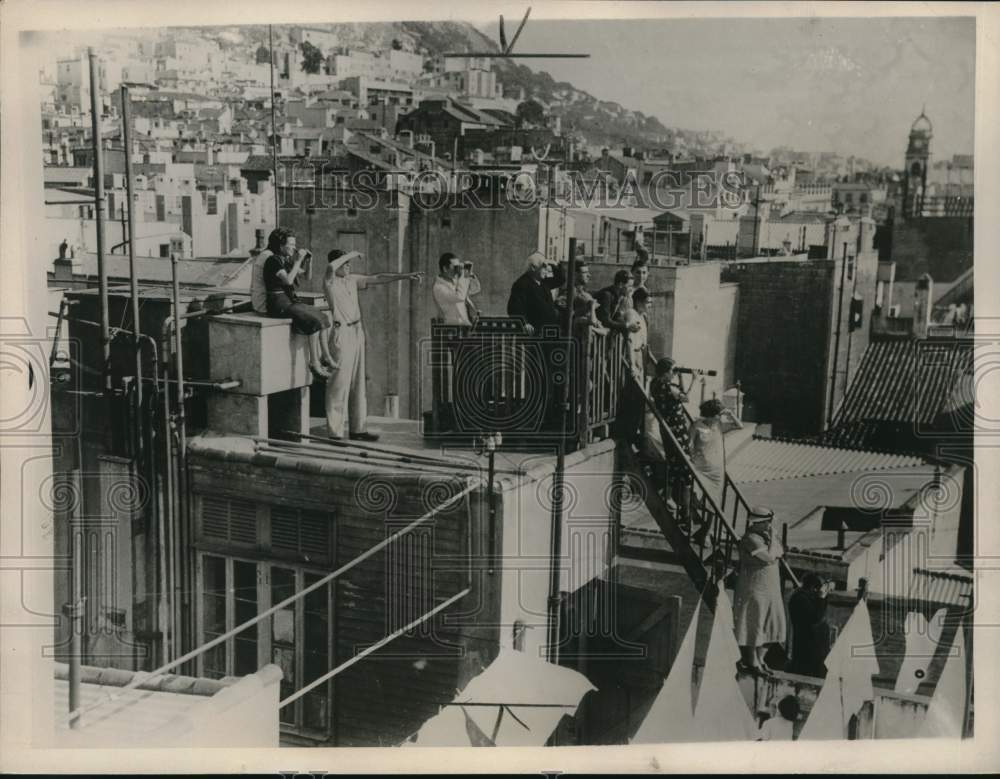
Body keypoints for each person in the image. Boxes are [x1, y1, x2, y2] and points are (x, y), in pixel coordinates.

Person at [323, 249, 423, 441]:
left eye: (349, 264)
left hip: (357, 331)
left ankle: (357, 429)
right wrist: (351, 254)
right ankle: (335, 432)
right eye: (345, 264)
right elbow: (330, 267)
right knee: (339, 382)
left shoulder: (351, 280)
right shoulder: (330, 281)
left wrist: (404, 276)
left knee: (358, 383)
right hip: (341, 332)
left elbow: (378, 277)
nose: (348, 267)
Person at [250, 227, 334, 379]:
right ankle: (314, 363)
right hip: (277, 303)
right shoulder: (272, 260)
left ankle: (326, 357)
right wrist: (298, 260)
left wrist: (309, 261)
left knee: (323, 317)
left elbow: (306, 277)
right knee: (312, 322)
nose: (294, 247)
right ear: (280, 245)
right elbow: (288, 280)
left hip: (288, 300)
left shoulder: (282, 259)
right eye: (291, 244)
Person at [733, 507, 787, 673]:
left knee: (773, 625)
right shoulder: (751, 539)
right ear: (757, 523)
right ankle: (752, 662)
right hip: (755, 587)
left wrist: (772, 541)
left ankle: (760, 659)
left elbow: (780, 551)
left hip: (771, 589)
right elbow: (770, 558)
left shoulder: (764, 537)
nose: (769, 525)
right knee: (753, 625)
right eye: (766, 522)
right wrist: (772, 539)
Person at [648, 357, 693, 520]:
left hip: (668, 429)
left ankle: (671, 499)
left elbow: (676, 394)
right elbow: (685, 397)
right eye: (672, 371)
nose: (674, 374)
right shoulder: (667, 387)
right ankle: (685, 511)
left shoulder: (655, 384)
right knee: (686, 469)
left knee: (674, 465)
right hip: (678, 430)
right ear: (666, 372)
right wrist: (693, 380)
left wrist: (680, 377)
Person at [689, 397, 743, 508]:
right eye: (718, 415)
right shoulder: (697, 426)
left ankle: (709, 521)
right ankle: (695, 513)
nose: (720, 417)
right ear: (710, 415)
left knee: (715, 497)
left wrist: (731, 413)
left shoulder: (718, 426)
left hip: (716, 468)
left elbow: (739, 426)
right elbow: (688, 445)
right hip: (700, 467)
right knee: (696, 492)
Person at [787, 573, 833, 679]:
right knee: (808, 673)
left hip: (814, 646)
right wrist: (821, 598)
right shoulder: (800, 598)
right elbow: (816, 618)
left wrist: (823, 597)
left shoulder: (807, 596)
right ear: (813, 588)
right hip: (807, 647)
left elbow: (820, 612)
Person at [506, 251, 561, 335]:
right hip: (535, 332)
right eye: (544, 266)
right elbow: (514, 307)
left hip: (549, 330)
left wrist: (554, 265)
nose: (547, 270)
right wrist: (524, 323)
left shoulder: (543, 282)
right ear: (533, 267)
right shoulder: (522, 284)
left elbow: (560, 279)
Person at [432, 252, 481, 327]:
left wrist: (468, 274)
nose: (457, 270)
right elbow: (460, 297)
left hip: (465, 325)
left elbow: (475, 289)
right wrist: (463, 277)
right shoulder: (439, 287)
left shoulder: (455, 282)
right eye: (455, 267)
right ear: (445, 268)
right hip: (453, 328)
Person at [595, 269, 640, 335]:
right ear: (621, 284)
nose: (631, 289)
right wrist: (627, 325)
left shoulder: (619, 296)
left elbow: (616, 315)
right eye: (629, 286)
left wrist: (630, 324)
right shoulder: (607, 295)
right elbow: (606, 321)